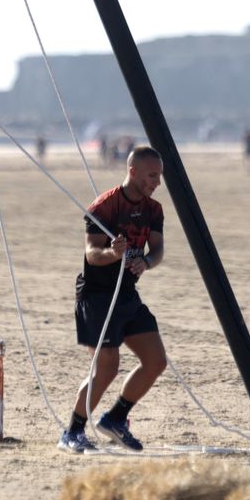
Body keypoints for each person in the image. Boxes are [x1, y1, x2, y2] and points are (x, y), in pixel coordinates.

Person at [59, 146, 169, 454]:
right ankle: (72, 432)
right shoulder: (105, 206)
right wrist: (114, 253)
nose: (156, 182)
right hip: (96, 297)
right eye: (151, 175)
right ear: (132, 171)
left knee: (156, 360)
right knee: (107, 367)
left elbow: (157, 250)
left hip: (127, 296)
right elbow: (92, 255)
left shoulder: (154, 209)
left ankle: (115, 419)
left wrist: (145, 262)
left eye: (159, 176)